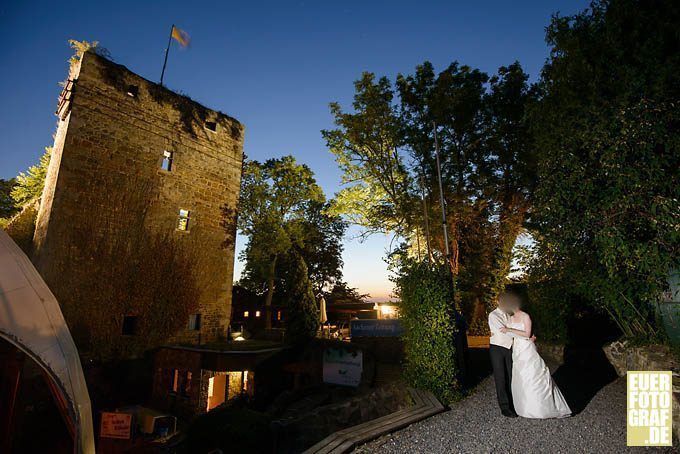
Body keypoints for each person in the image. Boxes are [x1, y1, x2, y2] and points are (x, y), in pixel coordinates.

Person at [500, 293, 572, 419]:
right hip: (517, 350)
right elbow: (510, 335)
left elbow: (527, 334)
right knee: (521, 377)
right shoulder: (510, 319)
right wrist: (509, 333)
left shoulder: (525, 316)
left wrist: (511, 330)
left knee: (534, 375)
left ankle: (543, 408)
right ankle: (525, 407)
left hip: (527, 349)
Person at [488, 293, 526, 417]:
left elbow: (513, 328)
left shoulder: (509, 315)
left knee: (511, 375)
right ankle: (504, 407)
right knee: (500, 377)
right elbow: (503, 331)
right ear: (498, 302)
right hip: (497, 348)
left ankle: (513, 403)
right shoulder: (493, 315)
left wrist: (527, 336)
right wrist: (524, 336)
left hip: (510, 348)